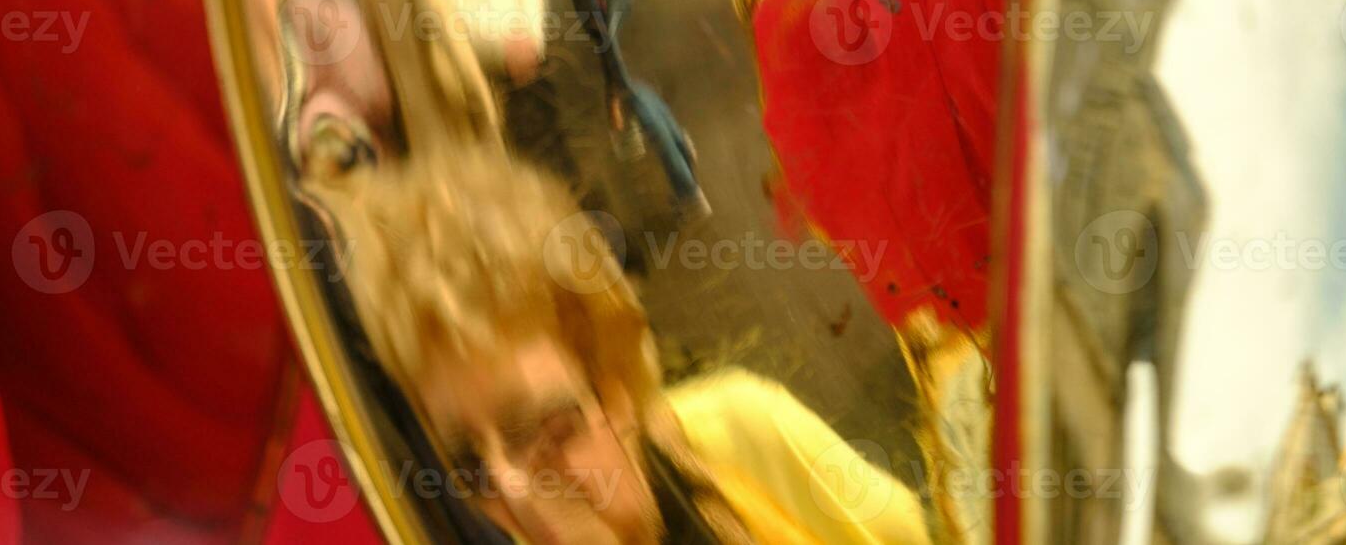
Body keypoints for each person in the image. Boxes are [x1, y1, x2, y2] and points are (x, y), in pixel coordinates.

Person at [325, 145, 933, 545]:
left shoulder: (749, 439)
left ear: (614, 392)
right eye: (465, 471)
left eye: (548, 432)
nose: (517, 500)